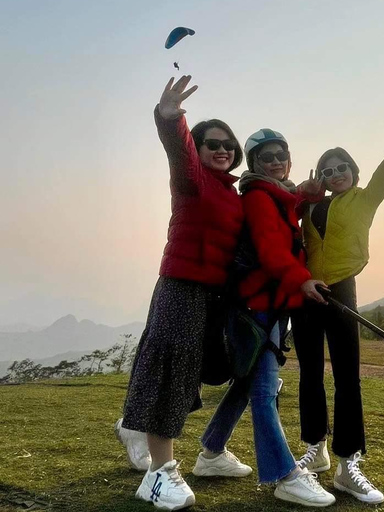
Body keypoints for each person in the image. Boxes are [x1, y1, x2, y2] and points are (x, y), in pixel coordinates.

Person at [117, 76, 248, 511]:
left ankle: (139, 428)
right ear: (199, 147)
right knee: (172, 369)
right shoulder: (192, 180)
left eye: (228, 143)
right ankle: (159, 475)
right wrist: (171, 119)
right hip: (180, 287)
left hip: (214, 296)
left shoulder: (233, 193)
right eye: (212, 143)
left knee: (195, 370)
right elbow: (181, 153)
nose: (222, 149)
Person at [292, 103, 384, 504]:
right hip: (305, 291)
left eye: (341, 168)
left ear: (353, 170)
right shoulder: (310, 205)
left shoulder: (365, 198)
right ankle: (314, 449)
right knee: (309, 375)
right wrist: (302, 192)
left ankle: (347, 463)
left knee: (347, 378)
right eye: (327, 170)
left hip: (341, 291)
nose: (334, 174)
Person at [194, 129, 335, 507]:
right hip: (259, 304)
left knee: (246, 383)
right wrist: (304, 281)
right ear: (255, 163)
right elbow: (272, 253)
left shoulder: (278, 194)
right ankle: (284, 475)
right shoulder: (258, 197)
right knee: (263, 388)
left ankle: (211, 452)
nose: (274, 161)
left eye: (280, 155)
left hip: (266, 302)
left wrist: (308, 192)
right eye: (266, 156)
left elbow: (293, 200)